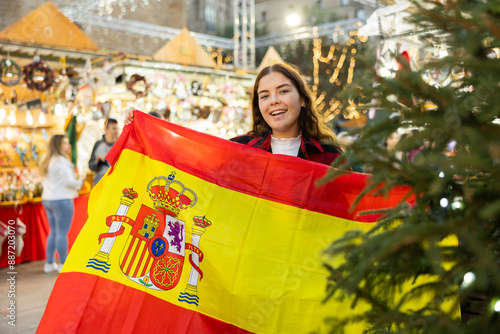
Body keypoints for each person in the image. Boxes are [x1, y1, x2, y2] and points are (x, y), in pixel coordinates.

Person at [125, 63, 343, 166]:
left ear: (303, 99)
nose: (274, 100)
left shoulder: (330, 155)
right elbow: (188, 161)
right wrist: (143, 130)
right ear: (259, 105)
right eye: (264, 96)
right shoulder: (240, 150)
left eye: (283, 91)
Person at [39, 134, 84, 273]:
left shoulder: (46, 160)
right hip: (62, 199)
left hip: (48, 199)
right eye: (64, 143)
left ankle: (49, 263)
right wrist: (80, 183)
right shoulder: (61, 162)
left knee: (54, 232)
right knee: (62, 233)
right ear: (58, 145)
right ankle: (63, 263)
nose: (68, 146)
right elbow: (69, 182)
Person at [88, 118, 120, 186]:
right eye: (114, 128)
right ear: (106, 130)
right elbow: (90, 165)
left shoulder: (121, 145)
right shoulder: (98, 144)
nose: (117, 131)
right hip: (100, 184)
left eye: (117, 128)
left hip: (116, 185)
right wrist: (97, 162)